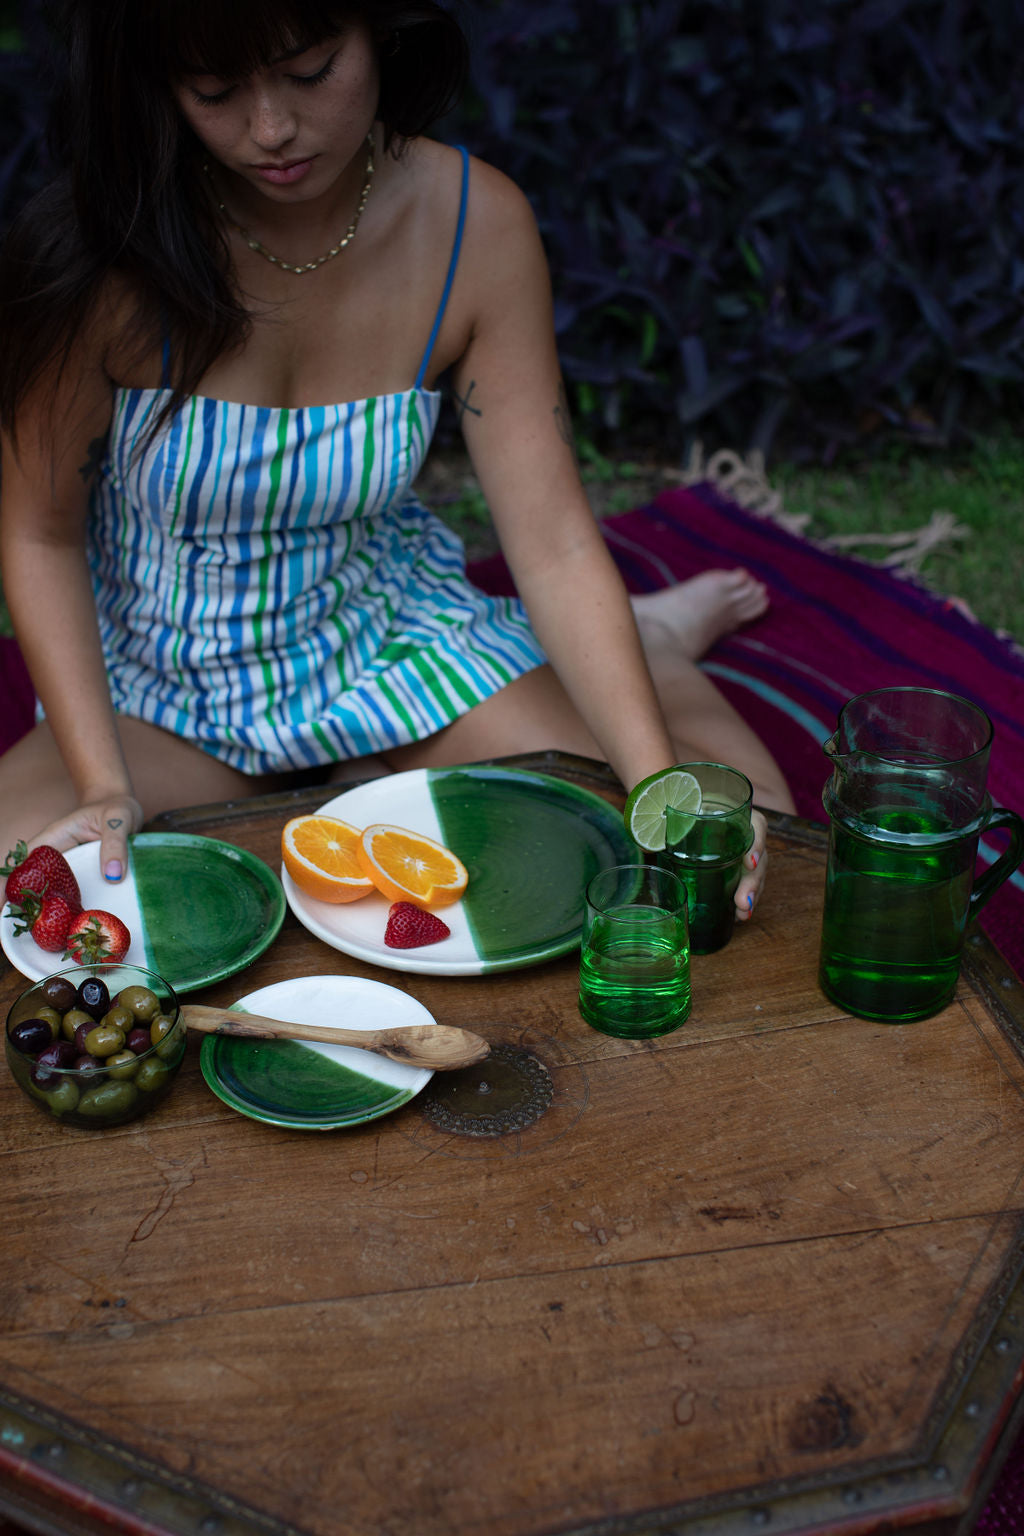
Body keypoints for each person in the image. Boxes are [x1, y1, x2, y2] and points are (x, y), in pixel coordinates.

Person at [0, 0, 794, 925]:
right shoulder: (99, 259)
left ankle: (648, 646)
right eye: (214, 91)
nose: (271, 129)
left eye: (310, 71)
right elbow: (37, 532)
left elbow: (551, 540)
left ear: (381, 30)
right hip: (162, 683)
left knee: (743, 832)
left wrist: (658, 783)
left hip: (388, 648)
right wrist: (102, 784)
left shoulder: (473, 224)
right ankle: (355, 776)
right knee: (25, 898)